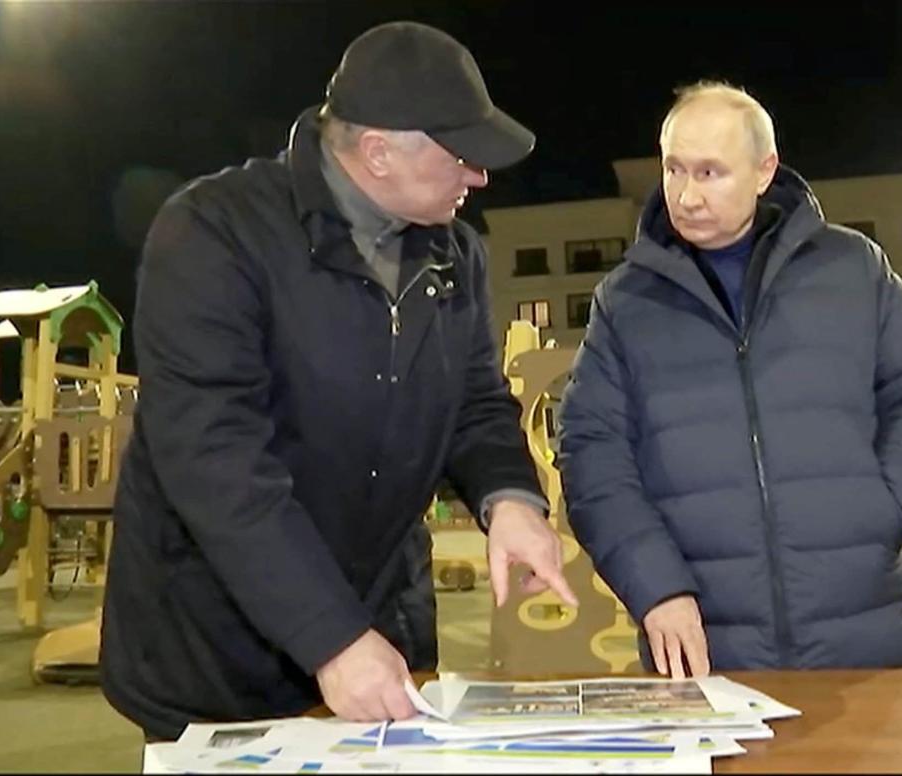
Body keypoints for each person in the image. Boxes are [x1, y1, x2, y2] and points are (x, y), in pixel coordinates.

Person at [101, 21, 576, 741]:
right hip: (217, 652)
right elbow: (214, 459)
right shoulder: (213, 235)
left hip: (386, 630)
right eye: (462, 156)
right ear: (379, 152)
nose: (479, 177)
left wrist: (507, 498)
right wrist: (328, 634)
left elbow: (475, 400)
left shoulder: (456, 256)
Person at [558, 82, 902, 678]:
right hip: (704, 657)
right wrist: (655, 586)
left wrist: (881, 513)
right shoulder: (626, 303)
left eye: (710, 172)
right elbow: (593, 456)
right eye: (674, 169)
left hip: (866, 640)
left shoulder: (852, 269)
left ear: (763, 170)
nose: (686, 194)